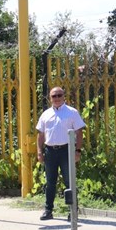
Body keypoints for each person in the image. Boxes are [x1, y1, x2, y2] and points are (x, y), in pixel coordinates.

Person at [35, 86, 86, 221]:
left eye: (59, 95)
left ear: (64, 96)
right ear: (50, 98)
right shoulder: (45, 114)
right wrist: (39, 152)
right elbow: (40, 134)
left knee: (69, 181)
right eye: (54, 96)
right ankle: (48, 210)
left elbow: (79, 132)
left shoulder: (72, 112)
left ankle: (73, 211)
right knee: (50, 182)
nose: (57, 98)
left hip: (66, 150)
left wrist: (78, 151)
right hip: (50, 151)